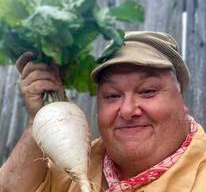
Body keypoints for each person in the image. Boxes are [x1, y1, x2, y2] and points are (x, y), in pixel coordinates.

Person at [0, 31, 206, 192]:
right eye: (112, 95)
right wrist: (40, 116)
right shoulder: (69, 167)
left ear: (181, 100)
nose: (127, 111)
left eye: (147, 91)